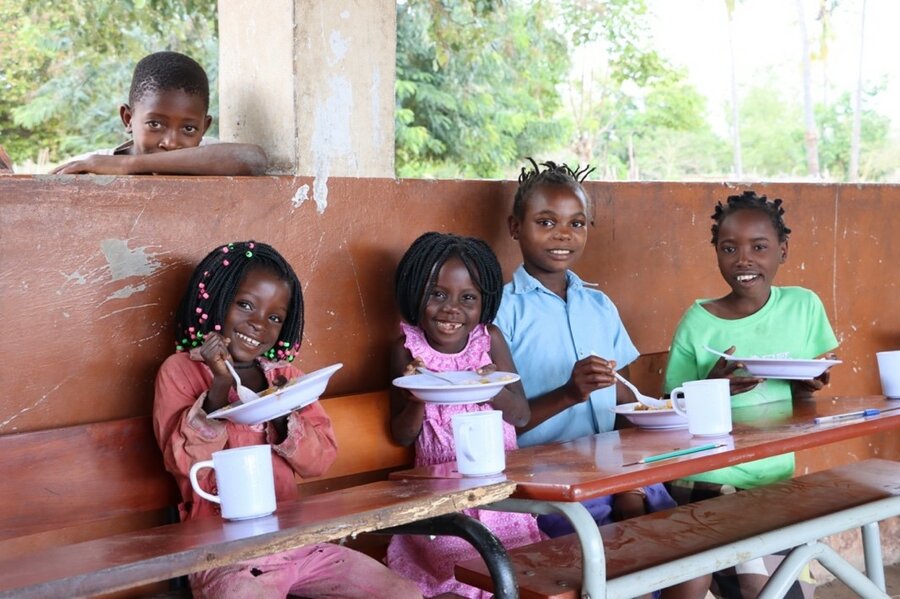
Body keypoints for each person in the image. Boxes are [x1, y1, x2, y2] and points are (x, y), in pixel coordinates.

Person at [154, 240, 421, 599]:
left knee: (400, 593)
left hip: (297, 541)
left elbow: (321, 459)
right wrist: (218, 386)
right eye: (245, 305)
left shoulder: (287, 377)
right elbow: (185, 465)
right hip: (222, 553)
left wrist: (282, 416)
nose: (257, 325)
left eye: (274, 317)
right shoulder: (181, 371)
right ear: (217, 299)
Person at [495, 159, 710, 599]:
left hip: (614, 469)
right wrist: (570, 393)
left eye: (576, 223)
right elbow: (503, 422)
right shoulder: (503, 310)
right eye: (546, 222)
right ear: (515, 227)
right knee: (617, 571)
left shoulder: (599, 305)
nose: (563, 234)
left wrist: (648, 441)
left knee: (692, 569)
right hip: (547, 480)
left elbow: (626, 407)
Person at [663, 191, 839, 598]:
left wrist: (808, 383)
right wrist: (711, 387)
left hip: (773, 476)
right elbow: (666, 407)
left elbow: (806, 398)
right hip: (706, 476)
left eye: (759, 247)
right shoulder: (698, 321)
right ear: (717, 253)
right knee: (764, 586)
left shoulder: (803, 306)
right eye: (729, 248)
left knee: (788, 582)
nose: (744, 260)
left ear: (783, 250)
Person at [386, 232, 542, 599]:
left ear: (484, 303)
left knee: (519, 573)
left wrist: (488, 382)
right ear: (414, 293)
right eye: (437, 294)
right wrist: (418, 395)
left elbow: (520, 415)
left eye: (468, 298)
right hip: (441, 500)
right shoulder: (407, 350)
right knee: (467, 576)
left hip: (502, 498)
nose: (451, 308)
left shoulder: (489, 340)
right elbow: (402, 434)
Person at [52, 51, 266, 175]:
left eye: (189, 128)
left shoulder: (209, 157)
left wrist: (128, 166)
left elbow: (253, 159)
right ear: (128, 118)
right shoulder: (91, 165)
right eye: (155, 124)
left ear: (204, 127)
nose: (171, 143)